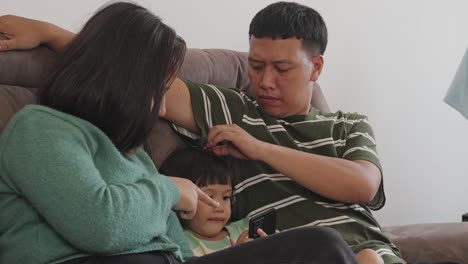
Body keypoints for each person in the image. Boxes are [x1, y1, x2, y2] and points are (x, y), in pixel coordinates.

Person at [0, 2, 365, 264]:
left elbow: (178, 252)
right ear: (125, 81)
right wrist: (172, 189)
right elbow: (100, 226)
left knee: (320, 247)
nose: (161, 104)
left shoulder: (135, 157)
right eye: (157, 86)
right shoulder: (39, 127)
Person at [159, 147, 257, 256]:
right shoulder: (179, 246)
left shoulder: (246, 230)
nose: (219, 207)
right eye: (209, 196)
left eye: (225, 197)